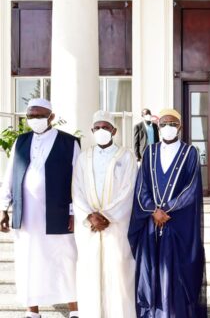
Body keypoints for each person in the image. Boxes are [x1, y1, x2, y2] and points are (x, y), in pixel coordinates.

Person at [0, 98, 80, 318]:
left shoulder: (69, 142)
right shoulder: (20, 141)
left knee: (65, 258)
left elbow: (77, 180)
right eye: (31, 116)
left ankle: (74, 308)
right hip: (26, 213)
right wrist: (3, 208)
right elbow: (10, 176)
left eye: (39, 115)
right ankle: (31, 310)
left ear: (51, 116)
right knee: (27, 259)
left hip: (58, 211)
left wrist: (73, 211)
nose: (35, 119)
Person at [127, 108, 207, 318]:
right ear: (158, 126)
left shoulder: (190, 153)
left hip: (178, 224)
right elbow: (141, 186)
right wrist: (154, 211)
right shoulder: (149, 152)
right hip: (152, 225)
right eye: (163, 124)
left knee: (177, 276)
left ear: (179, 126)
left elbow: (191, 189)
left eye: (172, 123)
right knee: (151, 274)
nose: (168, 127)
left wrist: (167, 210)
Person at [72, 110, 138, 318]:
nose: (101, 131)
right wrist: (90, 216)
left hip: (117, 226)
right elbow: (77, 189)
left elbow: (129, 189)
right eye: (97, 128)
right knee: (89, 272)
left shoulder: (126, 156)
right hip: (89, 227)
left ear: (114, 131)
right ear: (92, 131)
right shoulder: (83, 158)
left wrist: (107, 216)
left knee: (119, 270)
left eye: (106, 127)